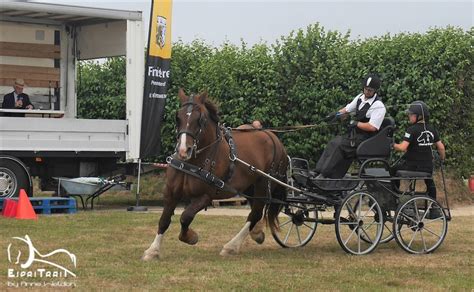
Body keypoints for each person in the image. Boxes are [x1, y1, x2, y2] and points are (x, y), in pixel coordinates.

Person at [315, 74, 386, 178]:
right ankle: (318, 171)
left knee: (340, 145)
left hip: (366, 139)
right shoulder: (360, 98)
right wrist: (336, 114)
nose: (367, 92)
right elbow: (347, 109)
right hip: (355, 136)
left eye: (370, 90)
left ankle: (325, 174)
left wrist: (356, 123)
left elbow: (372, 127)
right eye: (366, 89)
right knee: (333, 142)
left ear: (375, 90)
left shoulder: (378, 106)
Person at [393, 101, 445, 200]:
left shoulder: (411, 129)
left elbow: (402, 147)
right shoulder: (432, 129)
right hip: (427, 168)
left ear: (419, 116)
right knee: (429, 180)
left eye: (411, 114)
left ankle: (395, 195)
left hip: (412, 167)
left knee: (393, 169)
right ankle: (434, 206)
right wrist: (442, 159)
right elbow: (441, 147)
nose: (409, 116)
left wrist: (393, 145)